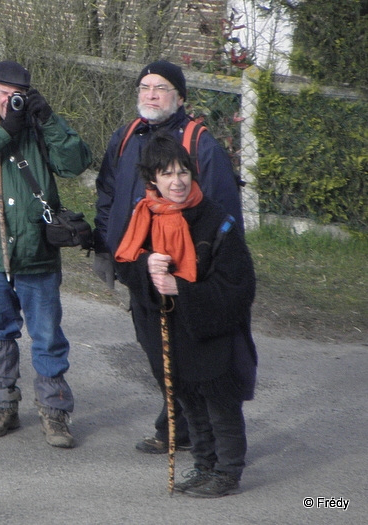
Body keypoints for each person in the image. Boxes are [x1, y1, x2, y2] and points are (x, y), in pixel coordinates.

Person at [93, 60, 244, 454]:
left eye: (160, 87)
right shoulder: (126, 137)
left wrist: (205, 271)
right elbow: (108, 194)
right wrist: (108, 246)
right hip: (139, 268)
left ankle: (203, 439)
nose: (151, 94)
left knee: (187, 355)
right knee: (156, 352)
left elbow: (224, 215)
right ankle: (179, 424)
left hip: (185, 275)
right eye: (145, 87)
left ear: (180, 96)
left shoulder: (199, 143)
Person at [0, 60, 92, 448]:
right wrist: (4, 133)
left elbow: (75, 162)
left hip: (37, 251)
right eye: (2, 94)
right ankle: (2, 406)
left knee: (46, 335)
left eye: (16, 96)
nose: (8, 102)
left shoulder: (41, 124)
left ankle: (55, 411)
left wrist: (48, 120)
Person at [114, 133, 256, 497]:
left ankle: (227, 472)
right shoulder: (143, 216)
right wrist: (147, 265)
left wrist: (184, 290)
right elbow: (126, 267)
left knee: (219, 402)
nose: (177, 182)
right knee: (189, 399)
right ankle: (204, 465)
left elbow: (238, 286)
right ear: (153, 182)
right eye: (167, 175)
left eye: (183, 173)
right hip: (172, 331)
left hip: (213, 330)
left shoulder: (216, 221)